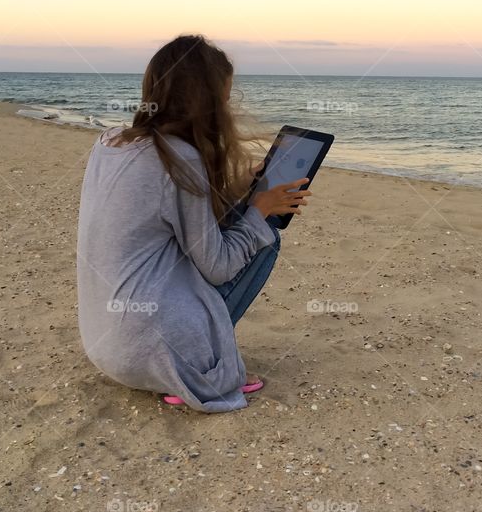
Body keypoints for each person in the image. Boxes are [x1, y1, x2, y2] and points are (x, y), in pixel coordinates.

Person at [76, 35, 312, 412]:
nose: (228, 106)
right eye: (225, 96)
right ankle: (202, 365)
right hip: (155, 352)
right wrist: (261, 211)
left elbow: (166, 212)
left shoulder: (110, 142)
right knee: (267, 237)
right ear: (207, 100)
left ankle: (187, 358)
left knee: (245, 222)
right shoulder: (180, 158)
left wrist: (242, 190)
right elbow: (218, 268)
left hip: (106, 348)